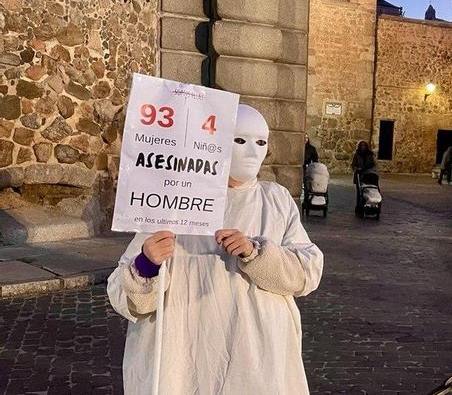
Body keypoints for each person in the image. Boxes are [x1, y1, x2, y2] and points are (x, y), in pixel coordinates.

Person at [107, 104, 324, 394]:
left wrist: (257, 253)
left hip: (257, 362)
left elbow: (306, 273)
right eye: (239, 140)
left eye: (260, 142)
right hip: (186, 360)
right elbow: (128, 300)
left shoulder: (276, 200)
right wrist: (147, 264)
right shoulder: (171, 201)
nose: (251, 152)